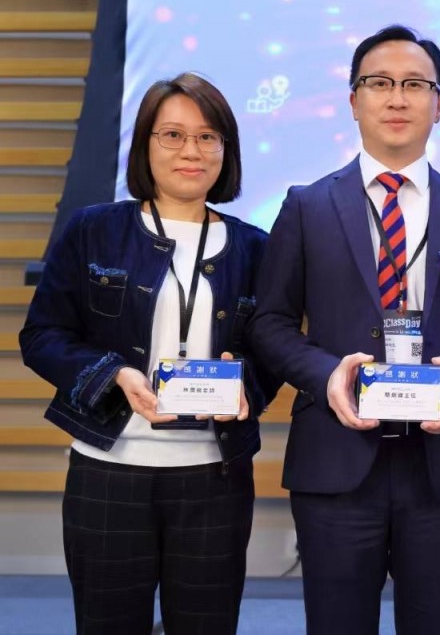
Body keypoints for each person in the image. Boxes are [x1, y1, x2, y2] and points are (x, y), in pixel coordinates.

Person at [249, 25, 440, 635]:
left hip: (437, 464)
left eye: (415, 85)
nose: (397, 98)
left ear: (439, 104)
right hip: (337, 461)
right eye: (380, 83)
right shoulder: (307, 206)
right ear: (353, 100)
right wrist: (327, 376)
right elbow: (270, 322)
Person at [20, 73, 277, 634]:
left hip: (215, 477)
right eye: (173, 135)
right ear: (145, 145)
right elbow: (41, 336)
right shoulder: (95, 229)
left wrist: (246, 387)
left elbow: (271, 351)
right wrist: (113, 374)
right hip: (109, 471)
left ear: (226, 151)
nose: (191, 151)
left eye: (208, 137)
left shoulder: (256, 247)